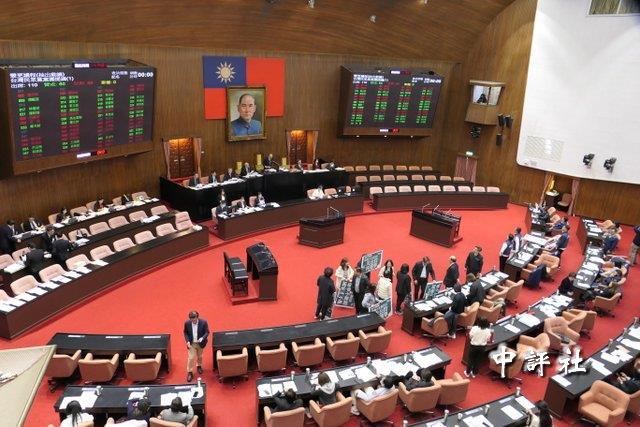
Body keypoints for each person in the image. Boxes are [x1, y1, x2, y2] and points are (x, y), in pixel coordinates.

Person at [183, 310, 210, 382]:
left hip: (200, 343)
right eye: (191, 319)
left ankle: (199, 365)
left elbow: (207, 332)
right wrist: (187, 341)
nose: (193, 321)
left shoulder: (203, 322)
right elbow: (185, 332)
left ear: (197, 317)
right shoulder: (187, 323)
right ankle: (190, 372)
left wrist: (202, 338)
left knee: (200, 356)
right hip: (191, 343)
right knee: (191, 357)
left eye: (194, 319)